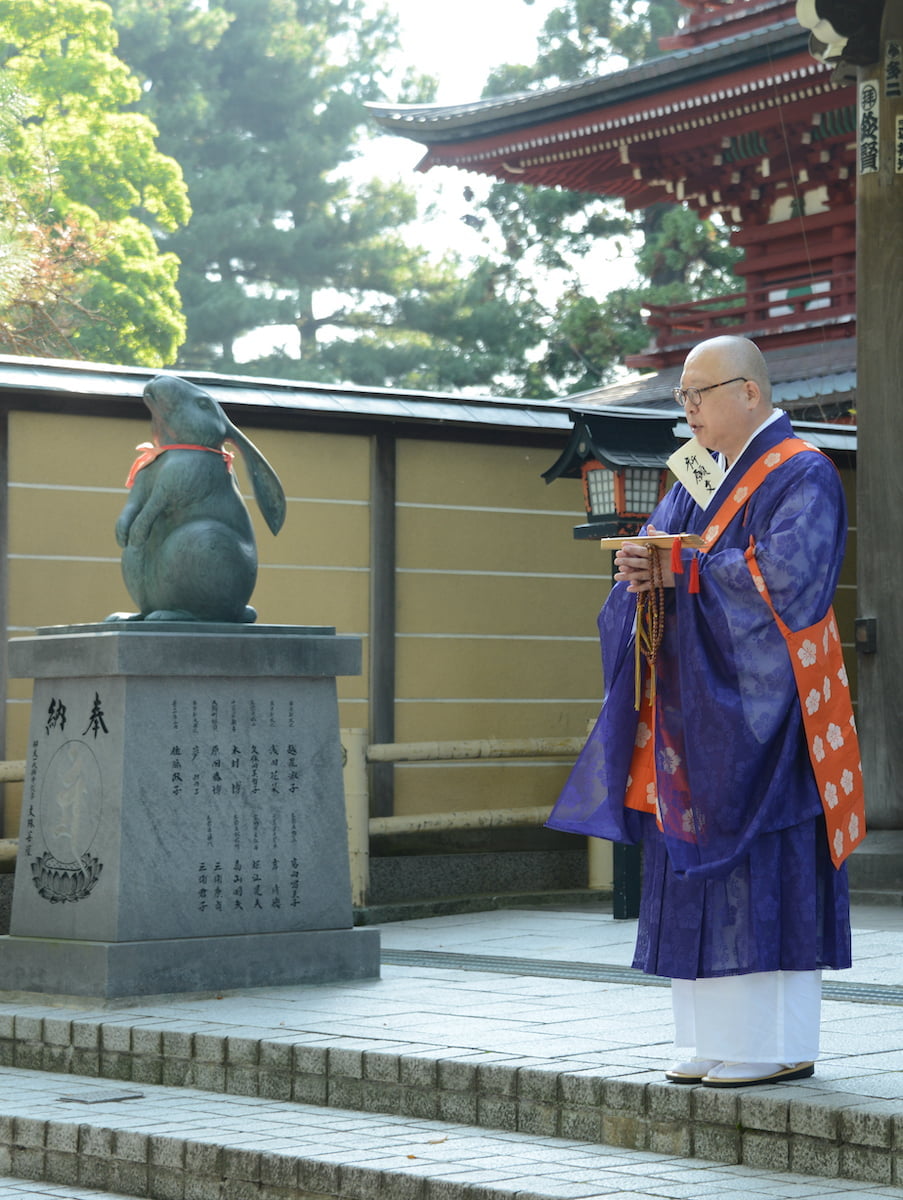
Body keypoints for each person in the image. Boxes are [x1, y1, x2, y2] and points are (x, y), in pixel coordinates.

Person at [546, 334, 865, 1088]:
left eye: (698, 393)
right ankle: (709, 1039)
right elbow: (666, 550)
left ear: (748, 393)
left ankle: (769, 1043)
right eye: (681, 395)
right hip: (697, 711)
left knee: (763, 863)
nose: (685, 408)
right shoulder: (692, 480)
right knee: (688, 865)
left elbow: (791, 580)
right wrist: (637, 567)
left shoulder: (802, 473)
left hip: (768, 713)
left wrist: (679, 566)